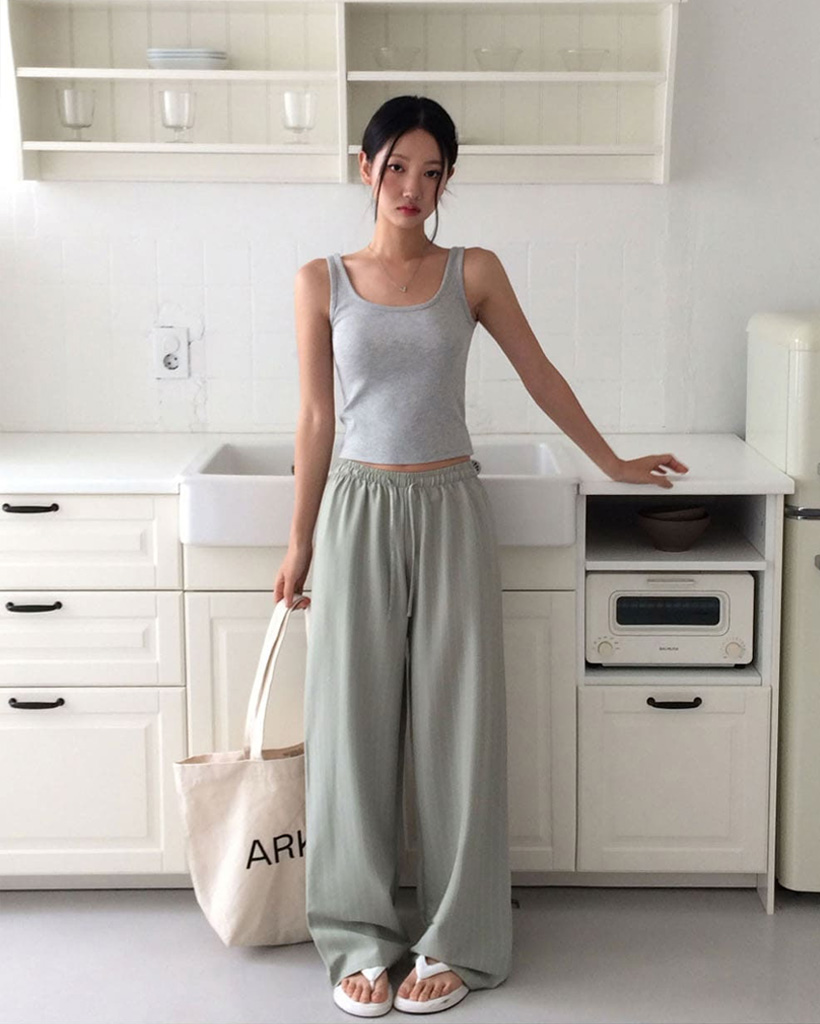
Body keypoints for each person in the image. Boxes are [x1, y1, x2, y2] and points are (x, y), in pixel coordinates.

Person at [274, 95, 689, 1018]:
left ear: (447, 180)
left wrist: (613, 461)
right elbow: (314, 418)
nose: (412, 188)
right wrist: (299, 542)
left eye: (431, 172)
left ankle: (457, 937)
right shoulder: (320, 281)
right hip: (357, 510)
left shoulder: (474, 271)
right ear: (365, 168)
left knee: (459, 731)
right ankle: (359, 938)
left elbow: (541, 376)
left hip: (451, 508)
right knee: (351, 732)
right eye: (396, 167)